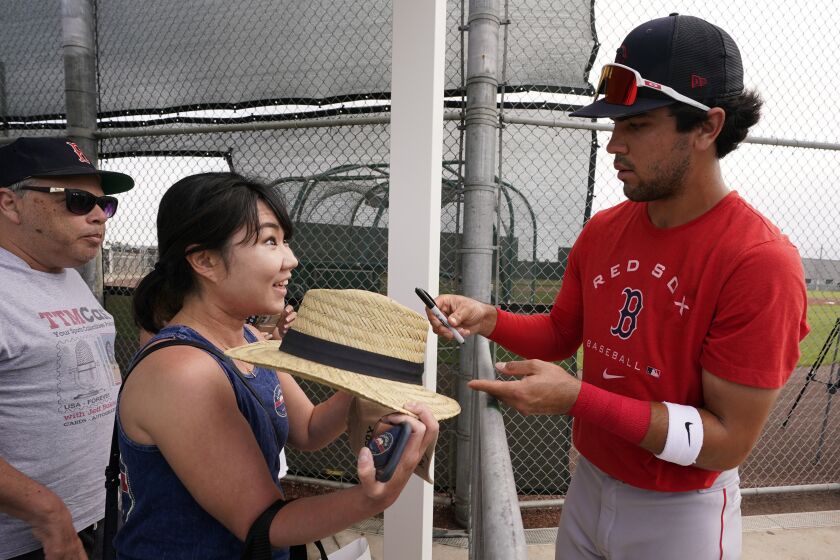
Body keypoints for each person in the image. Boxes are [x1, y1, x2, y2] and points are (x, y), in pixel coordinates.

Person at [425, 14, 809, 560]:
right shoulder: (606, 227)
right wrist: (486, 317)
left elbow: (726, 440)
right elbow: (562, 333)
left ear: (707, 126)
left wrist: (577, 399)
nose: (613, 146)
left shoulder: (759, 261)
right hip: (587, 489)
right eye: (614, 125)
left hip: (680, 515)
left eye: (637, 125)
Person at [116, 172, 438, 559]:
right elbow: (264, 524)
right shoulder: (183, 372)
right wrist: (371, 499)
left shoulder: (251, 341)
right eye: (270, 241)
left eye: (285, 241)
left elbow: (308, 430)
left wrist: (363, 383)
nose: (291, 259)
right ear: (205, 260)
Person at [0, 137, 134, 560]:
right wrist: (49, 516)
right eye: (77, 200)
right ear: (9, 203)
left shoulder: (63, 272)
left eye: (105, 203)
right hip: (31, 541)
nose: (99, 215)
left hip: (94, 517)